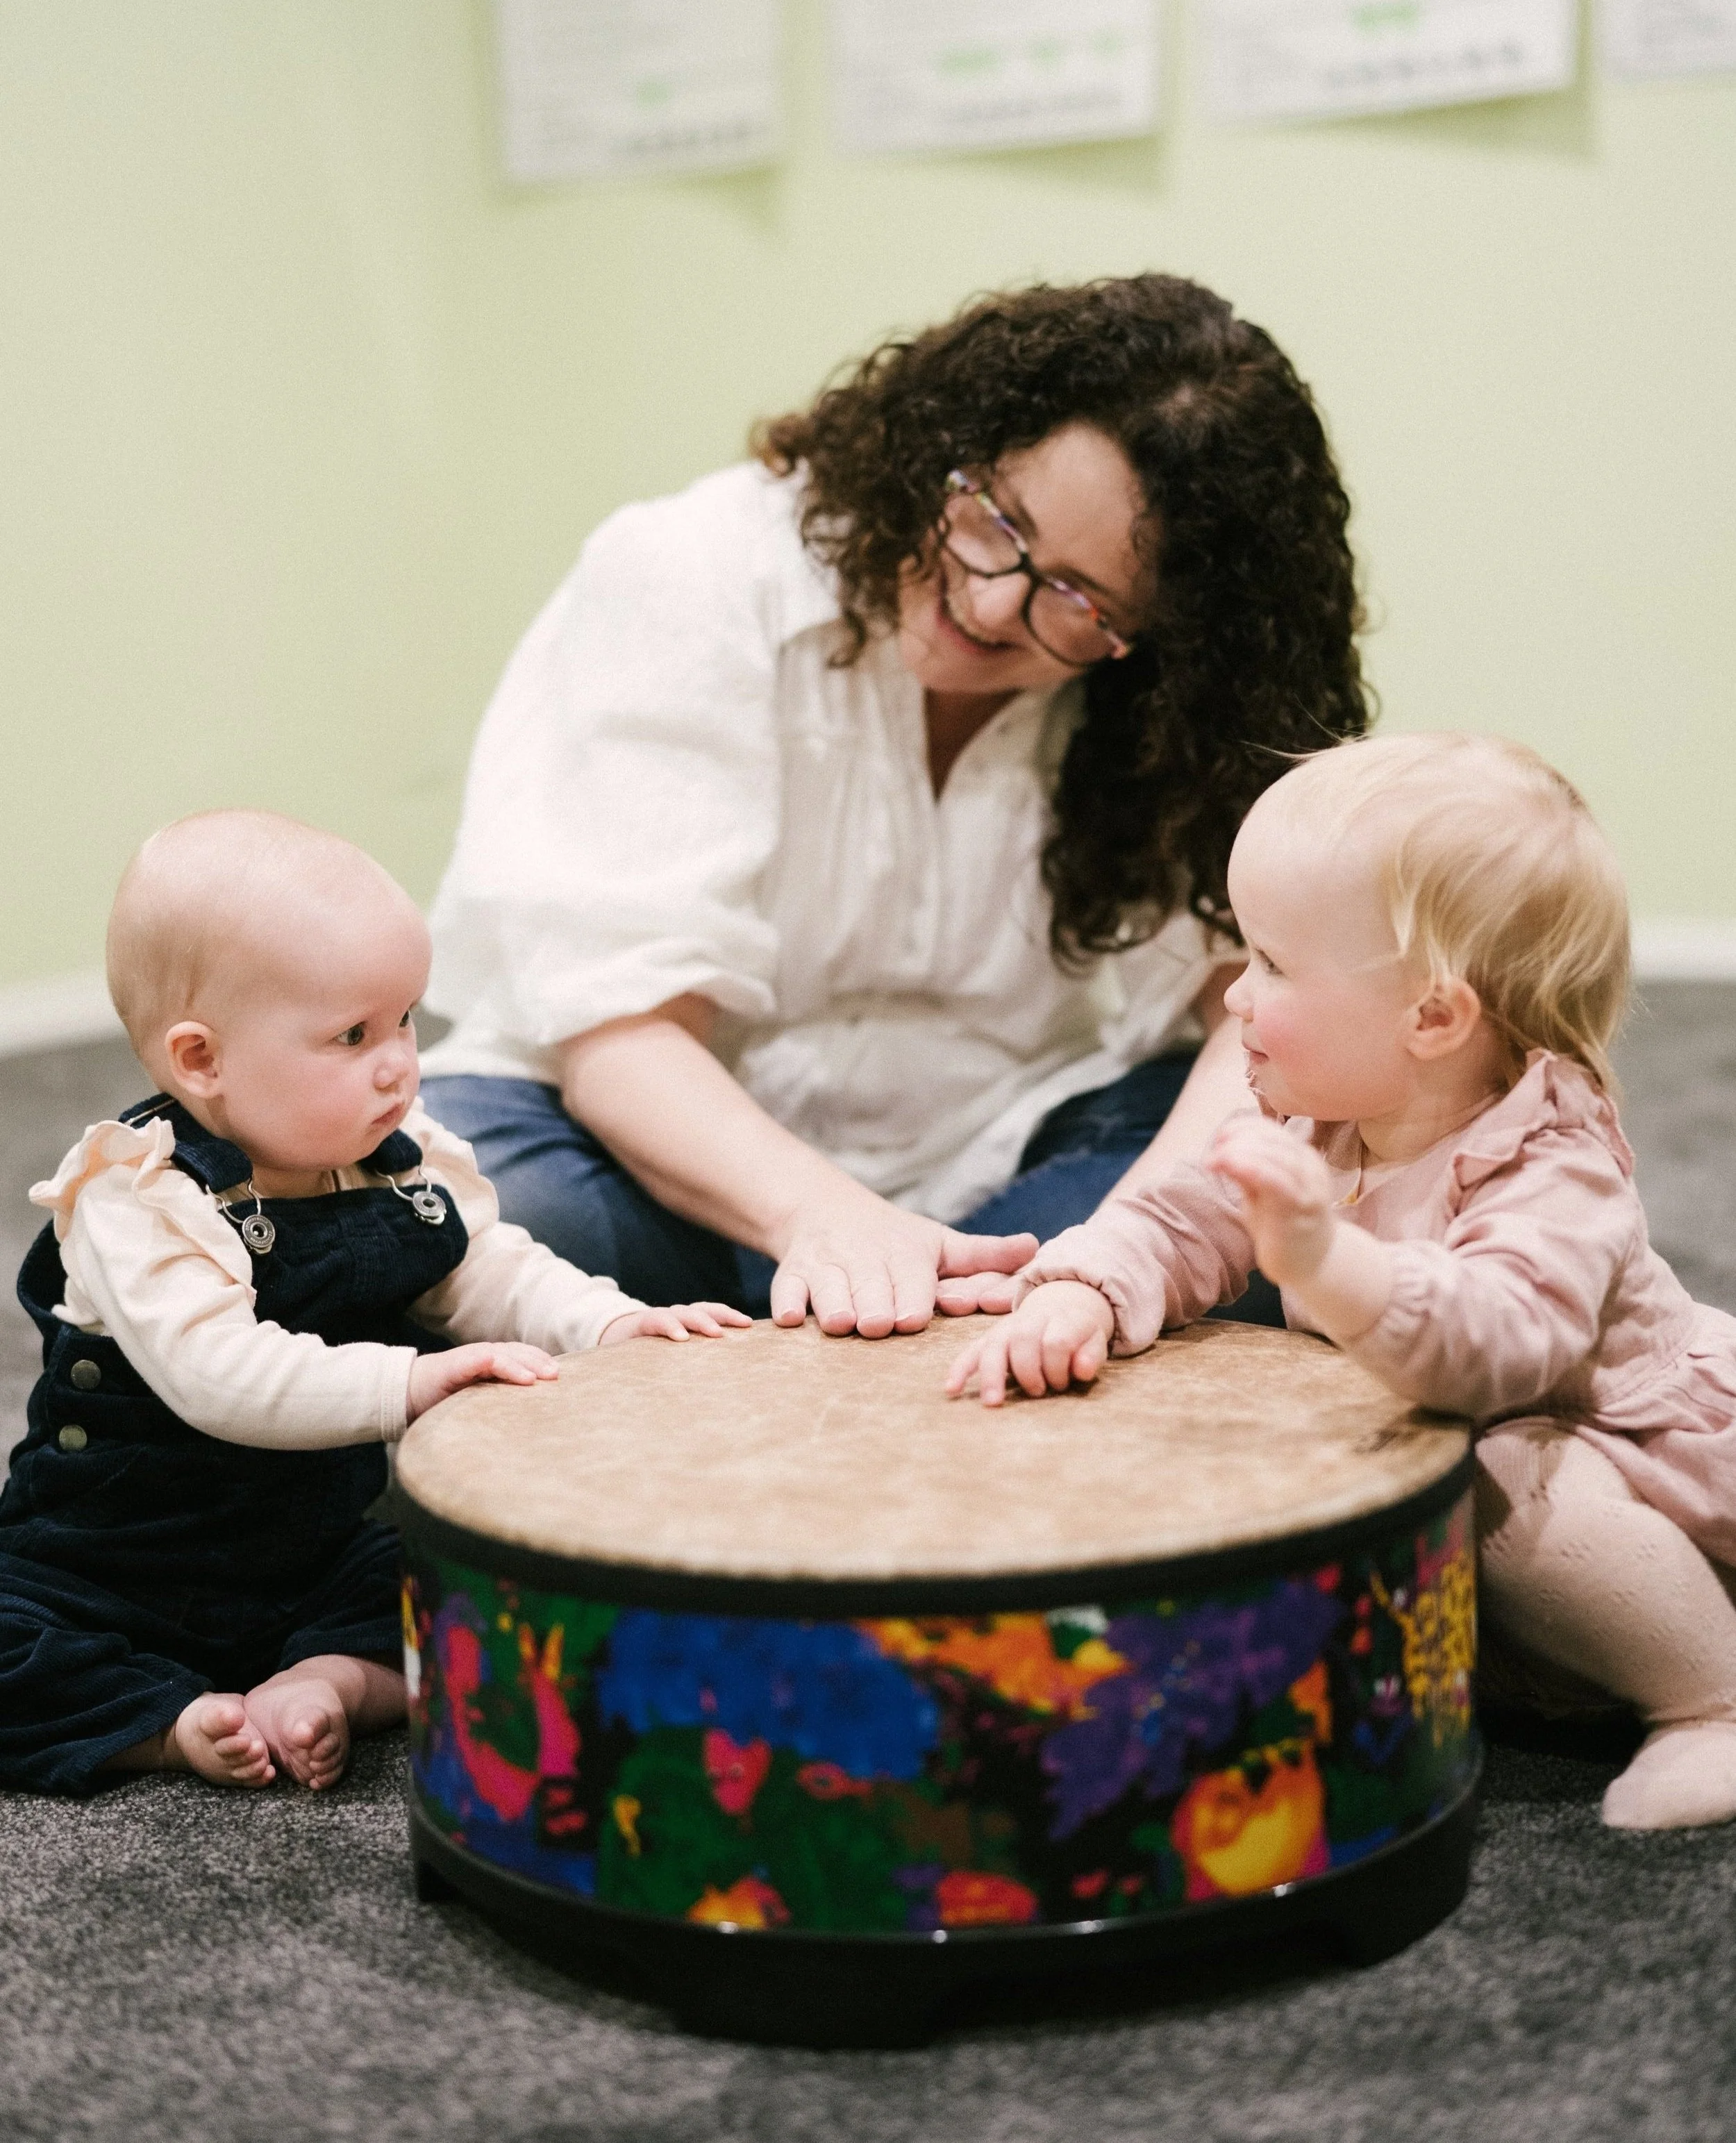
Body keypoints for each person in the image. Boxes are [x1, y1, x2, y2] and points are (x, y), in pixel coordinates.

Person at [419, 274, 1369, 1338]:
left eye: (1080, 600)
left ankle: (899, 1336)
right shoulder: (692, 571)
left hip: (999, 1164)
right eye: (995, 519)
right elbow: (621, 1036)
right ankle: (914, 1337)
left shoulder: (1155, 707)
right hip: (647, 1160)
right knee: (453, 1219)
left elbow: (1260, 1012)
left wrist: (1131, 1250)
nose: (994, 602)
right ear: (943, 444)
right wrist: (832, 1223)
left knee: (1282, 1197)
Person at [949, 733, 1736, 1833]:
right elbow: (1181, 1215)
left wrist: (1330, 1261)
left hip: (1635, 1454)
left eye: (1273, 964)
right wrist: (1085, 1286)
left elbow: (1497, 1349)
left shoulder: (1553, 1163)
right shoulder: (1314, 1114)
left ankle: (1709, 1702)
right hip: (1484, 1455)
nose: (1235, 998)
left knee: (1498, 1476)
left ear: (1432, 1018)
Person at [0, 812, 746, 1798]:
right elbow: (221, 1374)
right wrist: (413, 1379)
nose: (398, 1059)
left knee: (469, 1593)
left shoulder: (397, 1162)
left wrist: (608, 1320)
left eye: (404, 1020)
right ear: (202, 1061)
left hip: (313, 1550)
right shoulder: (142, 1196)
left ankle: (327, 1680)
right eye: (352, 1034)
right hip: (112, 1561)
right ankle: (170, 1726)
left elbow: (487, 1268)